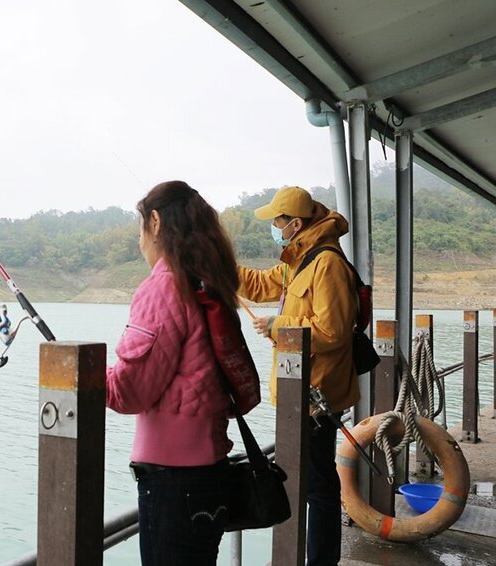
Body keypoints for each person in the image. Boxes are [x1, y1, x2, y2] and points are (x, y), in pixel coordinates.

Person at [106, 180, 240, 565]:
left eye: (140, 230)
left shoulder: (164, 287)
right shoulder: (209, 283)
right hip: (211, 471)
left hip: (173, 481)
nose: (140, 242)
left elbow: (129, 393)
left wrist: (88, 374)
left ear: (155, 222)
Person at [238, 186, 359, 566]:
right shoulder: (298, 260)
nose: (274, 228)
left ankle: (321, 561)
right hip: (301, 394)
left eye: (277, 222)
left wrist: (278, 325)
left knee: (318, 487)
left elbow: (332, 331)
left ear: (295, 223)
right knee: (309, 481)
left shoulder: (327, 264)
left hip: (317, 395)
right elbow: (258, 285)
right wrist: (218, 264)